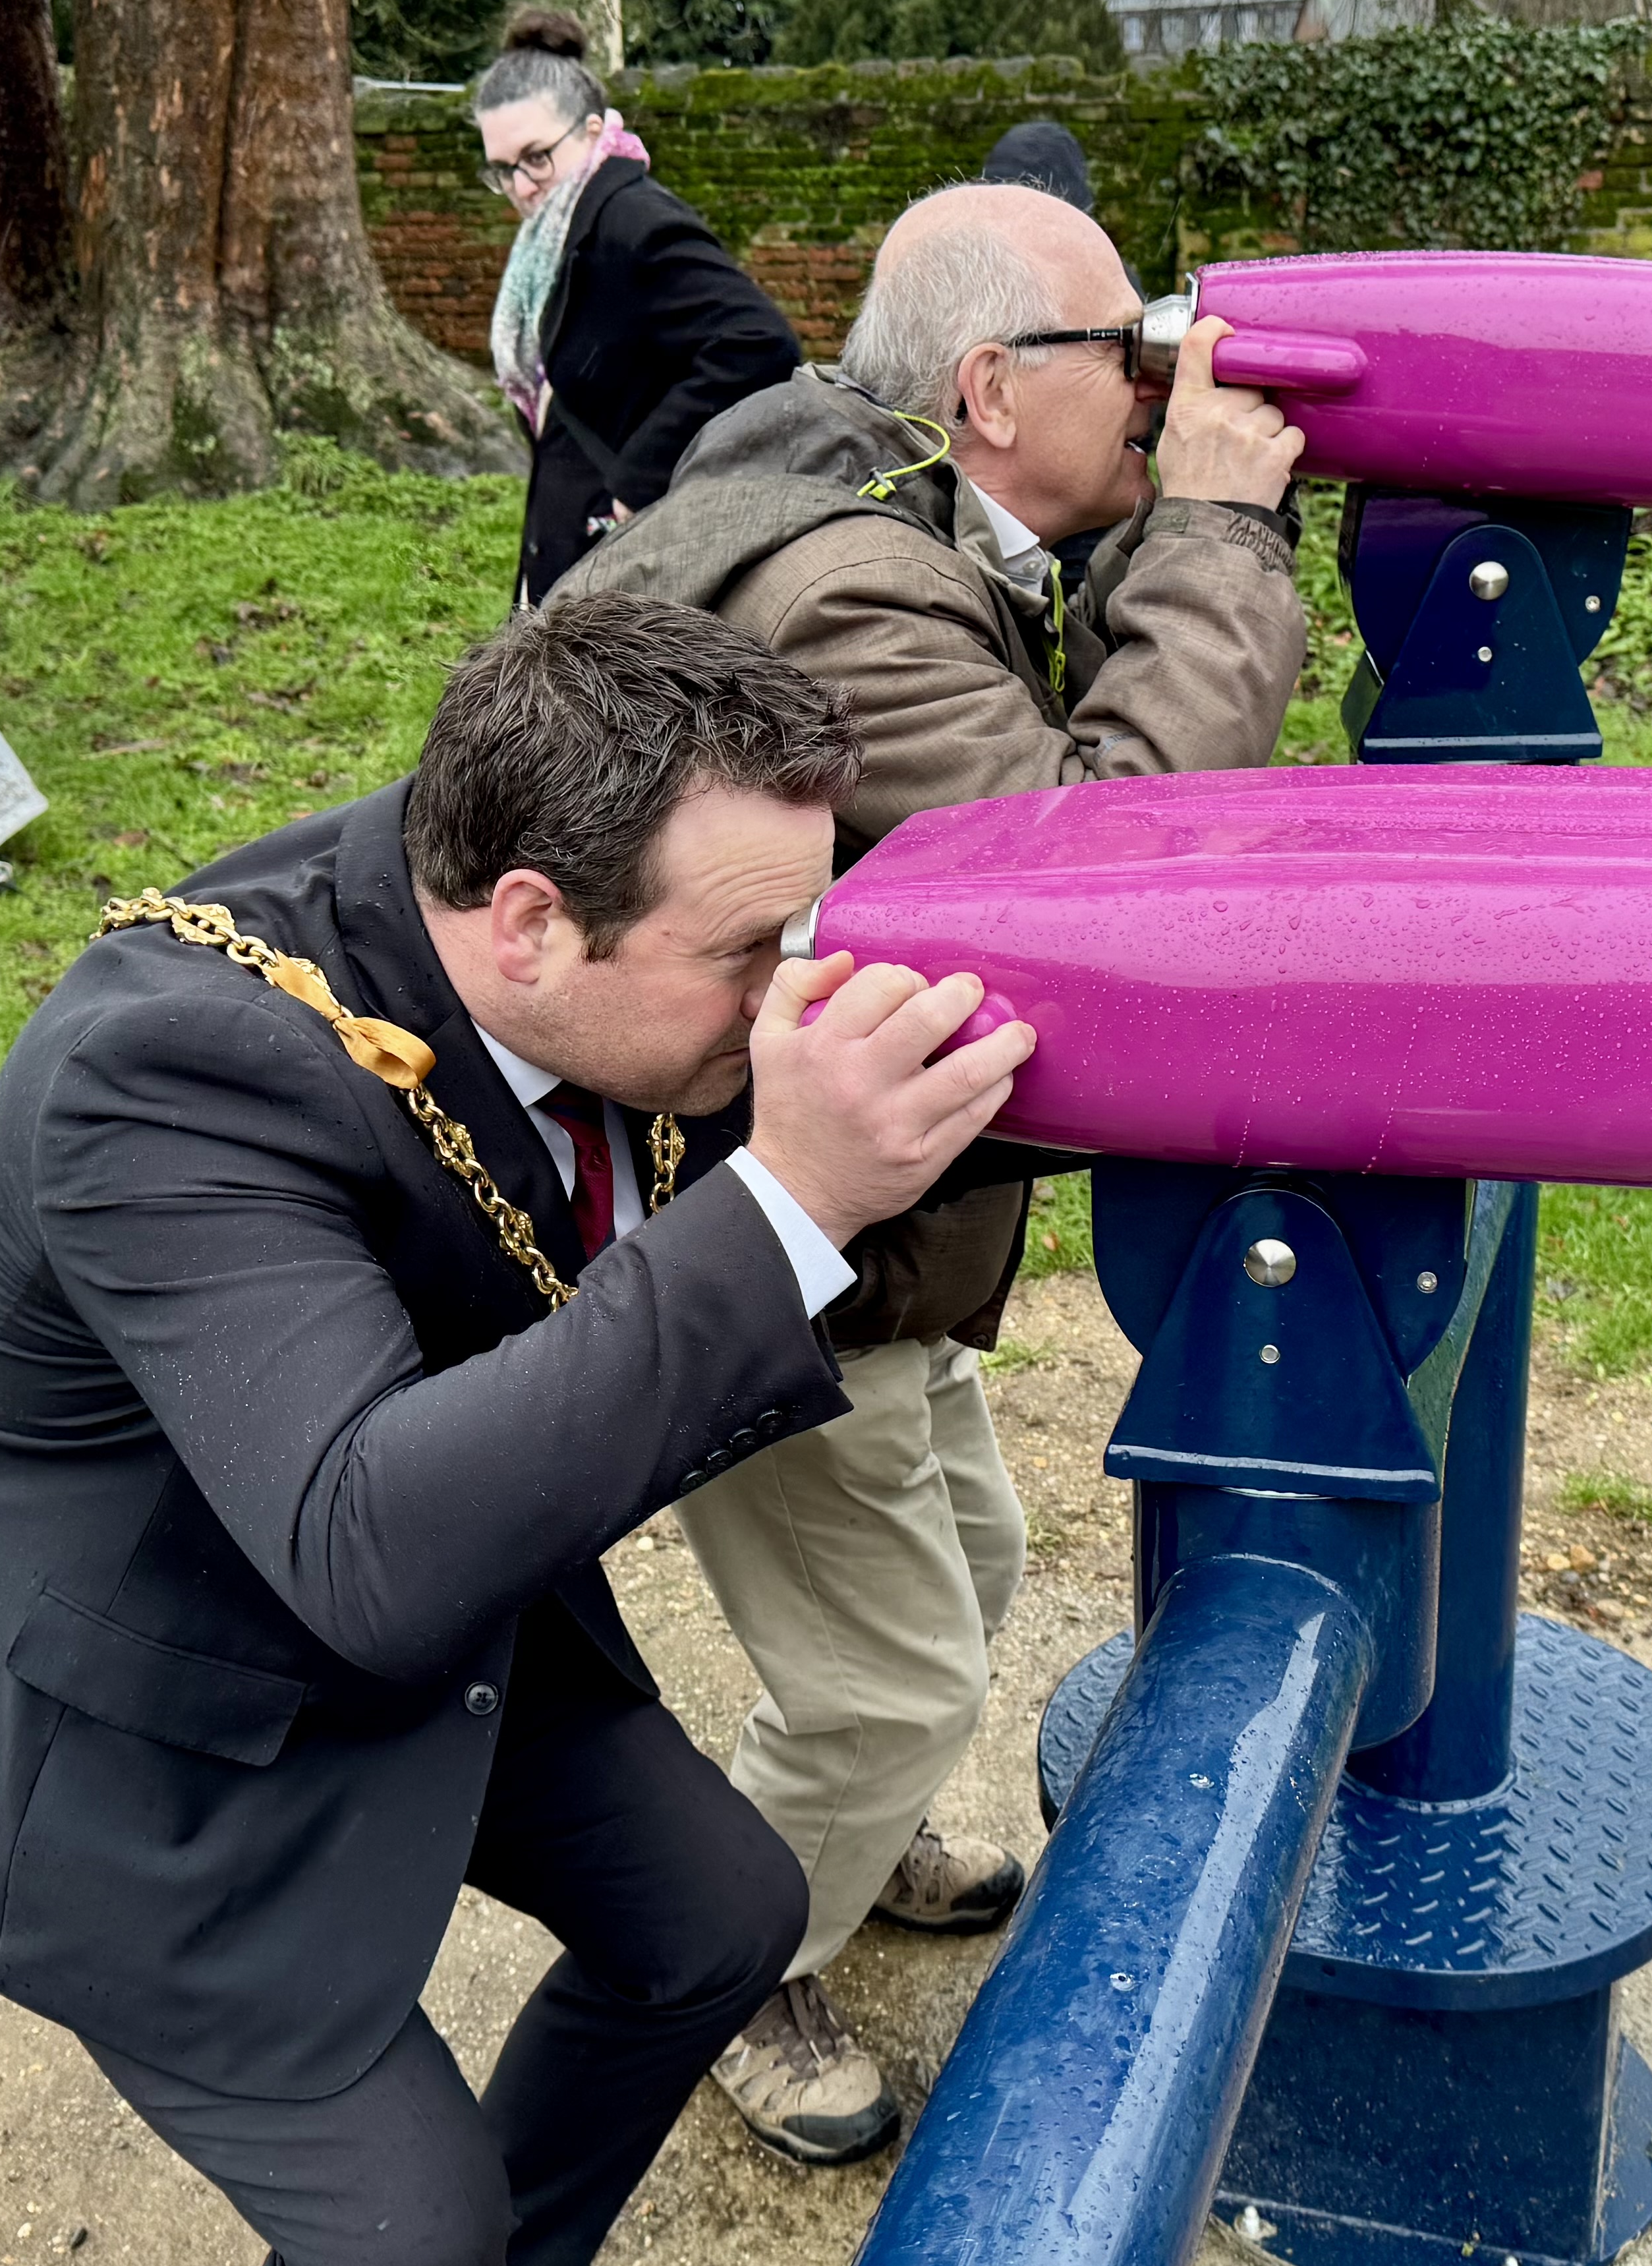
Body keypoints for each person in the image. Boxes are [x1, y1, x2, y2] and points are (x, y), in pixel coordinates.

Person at [0, 594, 1035, 2266]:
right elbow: (364, 1538)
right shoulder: (169, 1070)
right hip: (142, 1730)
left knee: (718, 1917)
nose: (791, 998)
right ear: (531, 918)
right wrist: (790, 1198)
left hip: (441, 1596)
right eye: (751, 955)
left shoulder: (546, 922)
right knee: (394, 2248)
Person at [556, 179, 1310, 2163]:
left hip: (855, 1213)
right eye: (1116, 357)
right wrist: (1216, 533)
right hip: (768, 1229)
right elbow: (1099, 868)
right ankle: (730, 1963)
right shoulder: (845, 599)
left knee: (962, 1569)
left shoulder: (880, 509)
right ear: (986, 387)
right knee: (887, 1679)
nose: (1154, 390)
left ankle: (841, 1831)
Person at [472, 11, 800, 605]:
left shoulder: (632, 219)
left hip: (621, 555)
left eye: (537, 157)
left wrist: (638, 480)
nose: (521, 186)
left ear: (592, 129)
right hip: (569, 541)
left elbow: (757, 342)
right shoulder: (552, 237)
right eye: (503, 170)